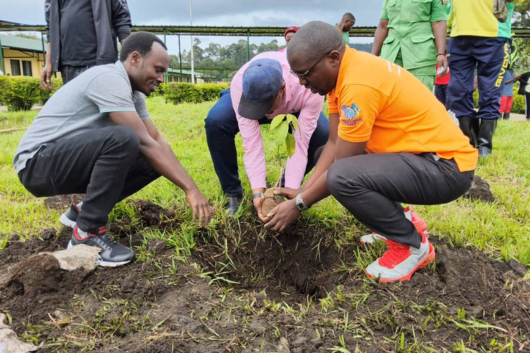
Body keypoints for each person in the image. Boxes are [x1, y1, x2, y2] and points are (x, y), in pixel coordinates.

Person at [265, 21, 478, 283]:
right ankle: (402, 220)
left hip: (446, 167)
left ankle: (411, 246)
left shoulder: (358, 85)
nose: (302, 82)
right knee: (325, 155)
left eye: (305, 73)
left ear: (332, 58)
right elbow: (334, 142)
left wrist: (300, 204)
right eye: (296, 75)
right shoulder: (341, 75)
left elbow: (343, 166)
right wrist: (304, 189)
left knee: (342, 176)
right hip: (422, 158)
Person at [14, 32, 213, 267]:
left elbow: (156, 139)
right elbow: (143, 141)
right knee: (125, 138)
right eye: (158, 69)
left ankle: (82, 212)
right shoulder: (108, 78)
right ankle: (87, 233)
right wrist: (190, 190)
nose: (161, 78)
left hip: (61, 161)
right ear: (135, 58)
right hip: (36, 163)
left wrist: (193, 188)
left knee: (154, 161)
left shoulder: (133, 92)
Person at [204, 51, 329, 217]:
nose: (260, 113)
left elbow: (300, 143)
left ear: (282, 89)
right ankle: (233, 193)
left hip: (295, 104)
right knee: (216, 121)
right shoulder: (240, 83)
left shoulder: (308, 87)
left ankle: (283, 190)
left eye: (264, 106)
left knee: (323, 133)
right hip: (251, 95)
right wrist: (257, 191)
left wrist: (291, 196)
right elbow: (251, 141)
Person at [445, 0, 515, 157]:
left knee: (490, 92)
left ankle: (484, 145)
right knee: (458, 92)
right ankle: (466, 142)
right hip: (459, 35)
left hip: (495, 36)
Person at [41, 0, 132, 89]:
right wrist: (49, 62)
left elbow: (122, 19)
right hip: (68, 65)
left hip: (100, 63)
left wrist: (130, 60)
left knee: (104, 102)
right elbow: (50, 25)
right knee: (74, 104)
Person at [371, 0, 448, 92]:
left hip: (420, 57)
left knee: (419, 99)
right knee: (387, 98)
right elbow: (383, 26)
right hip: (391, 56)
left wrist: (440, 53)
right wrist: (372, 58)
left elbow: (438, 22)